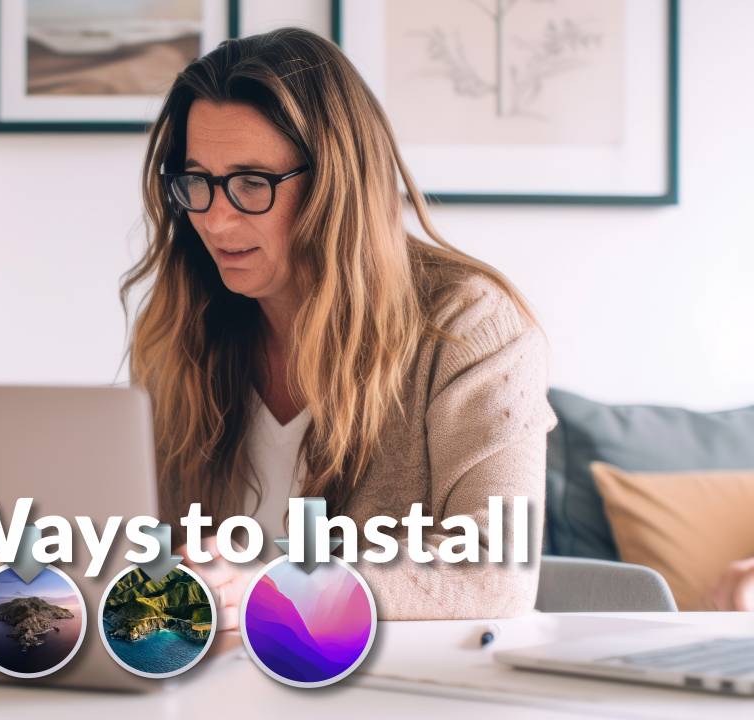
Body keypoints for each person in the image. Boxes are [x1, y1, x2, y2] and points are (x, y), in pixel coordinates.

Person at [121, 28, 556, 624]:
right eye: (198, 182)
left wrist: (268, 582)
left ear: (335, 186)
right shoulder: (180, 328)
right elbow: (149, 548)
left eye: (252, 183)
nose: (217, 220)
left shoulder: (470, 326)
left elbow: (495, 571)